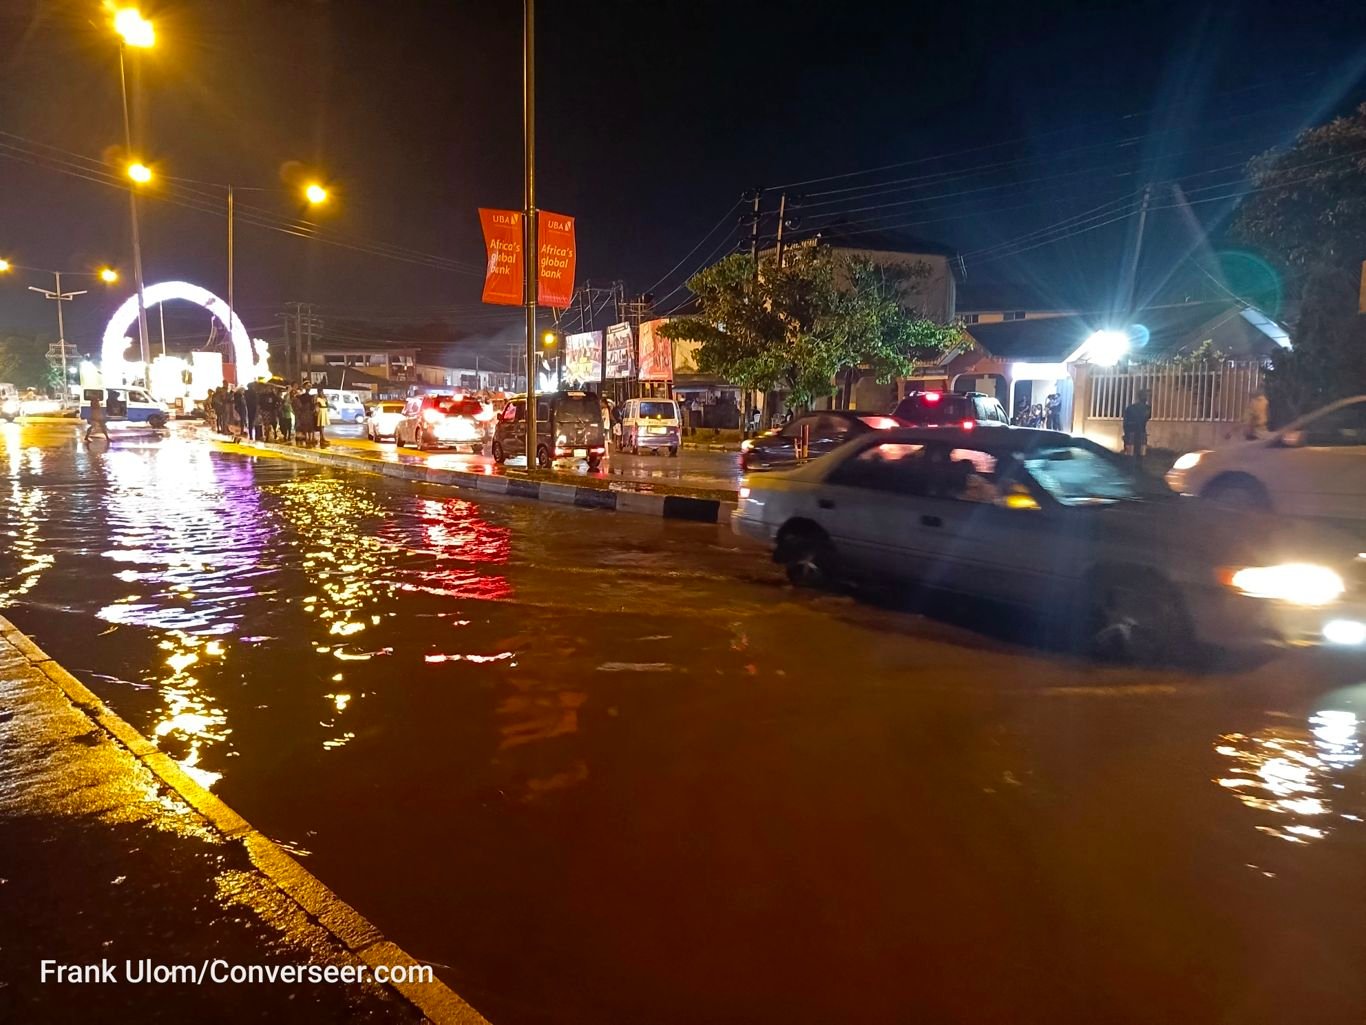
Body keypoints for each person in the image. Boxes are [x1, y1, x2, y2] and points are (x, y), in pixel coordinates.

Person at [1121, 389, 1152, 463]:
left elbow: (1125, 423)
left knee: (1130, 456)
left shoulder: (1130, 408)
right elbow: (1146, 418)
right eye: (1146, 396)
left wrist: (1126, 435)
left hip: (1131, 433)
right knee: (1140, 456)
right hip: (1141, 433)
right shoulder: (1148, 408)